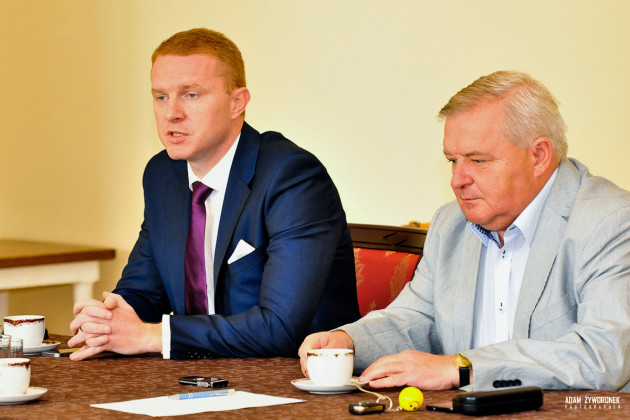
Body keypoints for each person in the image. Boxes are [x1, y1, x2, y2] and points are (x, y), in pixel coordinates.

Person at [299, 70, 630, 392]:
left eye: (478, 161)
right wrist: (347, 342)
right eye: (452, 161)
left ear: (539, 155)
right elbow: (419, 318)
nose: (457, 180)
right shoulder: (451, 223)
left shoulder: (610, 221)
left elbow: (603, 354)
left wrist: (463, 369)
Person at [68, 28, 359, 360]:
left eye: (191, 95)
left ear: (237, 103)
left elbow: (280, 328)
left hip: (292, 376)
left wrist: (152, 335)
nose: (171, 113)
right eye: (161, 97)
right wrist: (108, 320)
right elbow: (144, 292)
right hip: (194, 376)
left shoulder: (292, 176)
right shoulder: (163, 174)